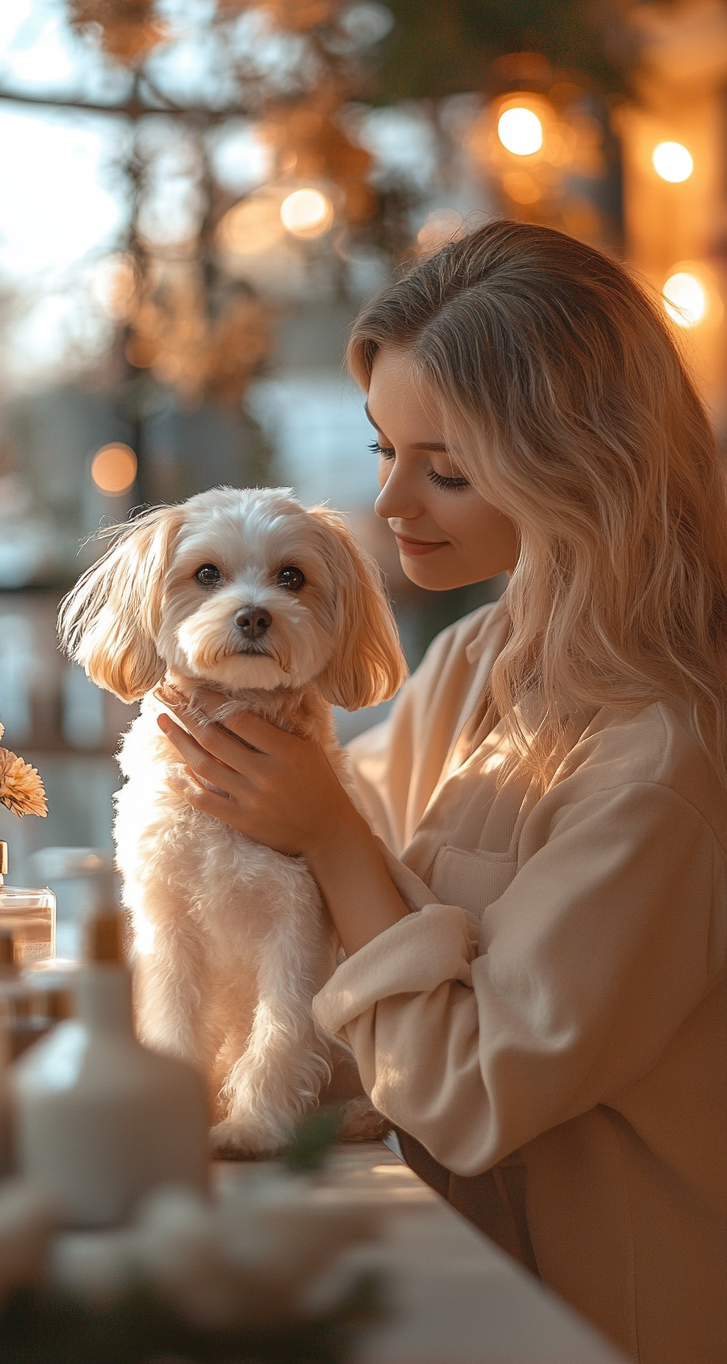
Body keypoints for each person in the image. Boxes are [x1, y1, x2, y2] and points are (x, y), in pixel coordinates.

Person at [157, 220, 727, 1364]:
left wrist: (328, 835)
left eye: (448, 468)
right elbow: (279, 861)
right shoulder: (479, 656)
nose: (395, 503)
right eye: (383, 451)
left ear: (579, 466)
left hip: (592, 1317)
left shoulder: (664, 760)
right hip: (440, 1261)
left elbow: (470, 1094)